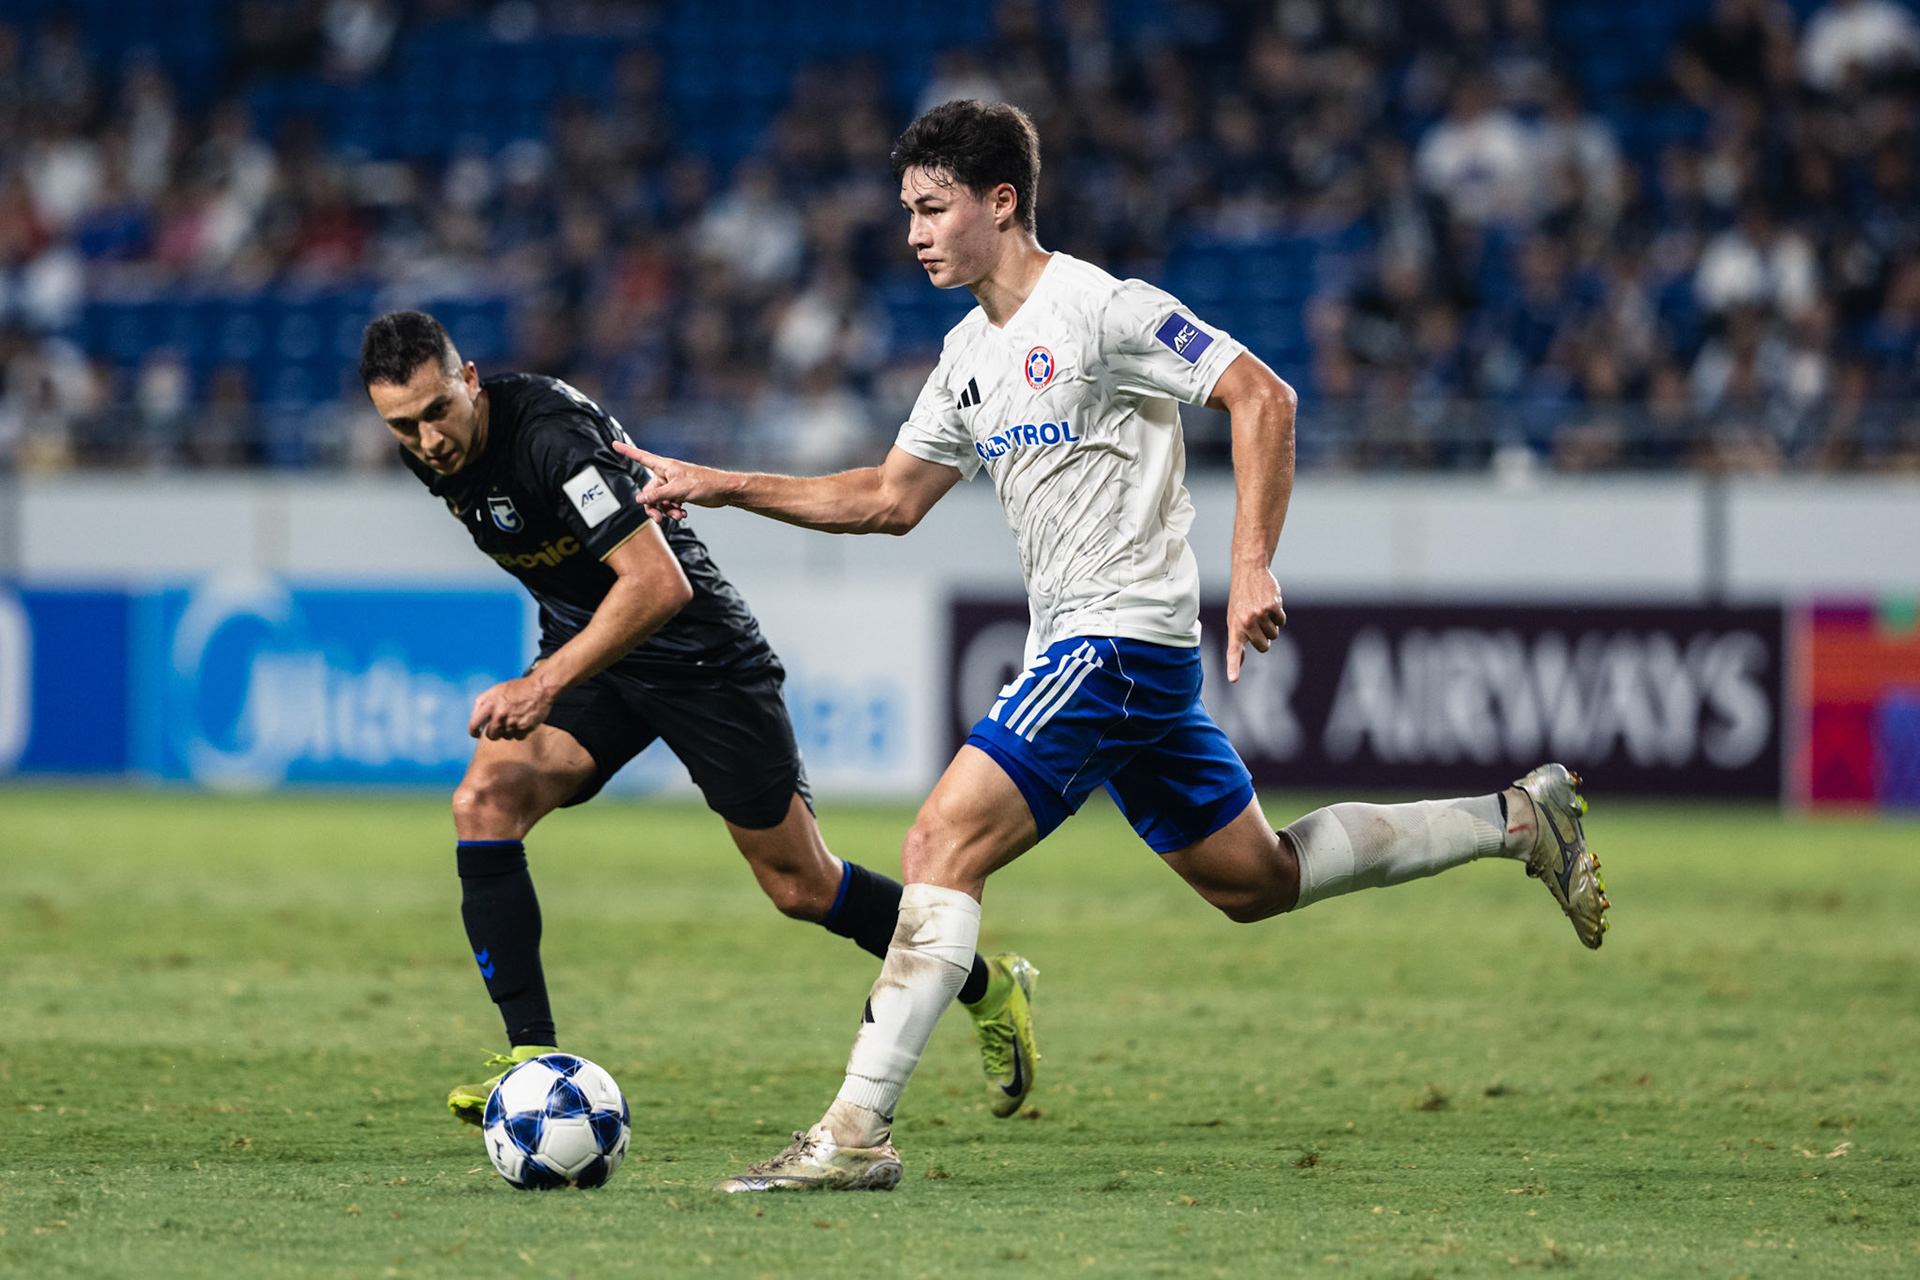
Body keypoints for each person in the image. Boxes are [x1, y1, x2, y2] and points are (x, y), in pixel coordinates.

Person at [614, 100, 1610, 1193]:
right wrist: (721, 483)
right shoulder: (963, 357)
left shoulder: (1103, 310)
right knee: (1256, 879)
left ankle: (856, 1127)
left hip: (1115, 640)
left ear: (1002, 202)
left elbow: (1260, 394)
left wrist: (1253, 565)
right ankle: (1515, 818)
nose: (913, 233)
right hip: (1118, 660)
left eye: (932, 208)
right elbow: (889, 497)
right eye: (907, 210)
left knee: (940, 842)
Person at [355, 310, 1040, 1126]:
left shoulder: (549, 440)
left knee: (801, 885)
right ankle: (532, 1060)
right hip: (598, 655)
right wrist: (563, 668)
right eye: (403, 425)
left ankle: (985, 984)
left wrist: (543, 684)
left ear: (469, 380)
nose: (428, 439)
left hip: (696, 654)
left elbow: (659, 584)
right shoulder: (434, 458)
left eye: (437, 411)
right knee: (485, 802)